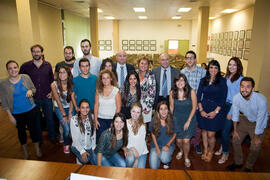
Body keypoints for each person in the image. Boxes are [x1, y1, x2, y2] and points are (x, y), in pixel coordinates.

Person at [0, 60, 41, 159]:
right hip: (16, 113)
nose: (13, 70)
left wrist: (31, 90)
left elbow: (34, 89)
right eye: (10, 68)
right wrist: (10, 116)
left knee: (33, 131)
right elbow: (4, 102)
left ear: (18, 68)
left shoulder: (25, 77)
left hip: (31, 109)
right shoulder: (3, 84)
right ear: (7, 70)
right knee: (21, 133)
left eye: (15, 67)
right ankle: (25, 152)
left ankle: (37, 149)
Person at [227, 77, 268, 172]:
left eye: (248, 87)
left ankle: (249, 166)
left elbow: (261, 119)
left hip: (258, 123)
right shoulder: (237, 98)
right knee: (235, 140)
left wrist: (256, 137)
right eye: (242, 86)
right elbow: (235, 114)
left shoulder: (261, 100)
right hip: (245, 119)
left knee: (255, 146)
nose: (244, 89)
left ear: (253, 89)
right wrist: (235, 130)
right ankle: (238, 162)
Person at [19, 44, 56, 143]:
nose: (36, 53)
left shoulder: (47, 65)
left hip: (46, 97)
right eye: (34, 51)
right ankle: (39, 139)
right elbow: (20, 80)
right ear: (31, 53)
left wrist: (52, 92)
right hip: (32, 98)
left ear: (42, 53)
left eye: (38, 51)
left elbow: (52, 81)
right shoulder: (25, 66)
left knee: (50, 118)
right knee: (36, 120)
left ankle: (52, 137)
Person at [196, 60, 227, 162]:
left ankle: (211, 150)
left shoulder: (222, 81)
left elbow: (223, 98)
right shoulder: (203, 80)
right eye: (211, 67)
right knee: (204, 131)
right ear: (208, 69)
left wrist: (216, 112)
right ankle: (205, 149)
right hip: (203, 108)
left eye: (215, 68)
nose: (213, 70)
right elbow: (198, 96)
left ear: (218, 70)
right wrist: (201, 110)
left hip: (216, 109)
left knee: (211, 134)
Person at [215, 57, 243, 164]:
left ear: (238, 66)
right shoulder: (226, 77)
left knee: (226, 131)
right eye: (230, 64)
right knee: (221, 129)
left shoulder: (241, 79)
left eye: (234, 65)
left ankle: (226, 153)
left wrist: (231, 112)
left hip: (232, 106)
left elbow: (239, 98)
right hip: (223, 105)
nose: (232, 67)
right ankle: (222, 147)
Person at [181, 50, 206, 154]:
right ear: (185, 60)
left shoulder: (203, 72)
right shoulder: (182, 72)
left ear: (195, 59)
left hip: (198, 104)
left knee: (197, 126)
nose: (189, 60)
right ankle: (187, 142)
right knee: (186, 124)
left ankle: (196, 144)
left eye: (191, 58)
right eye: (187, 58)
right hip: (186, 104)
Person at [169, 73, 197, 167]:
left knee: (186, 141)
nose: (180, 82)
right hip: (177, 119)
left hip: (189, 118)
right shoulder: (172, 93)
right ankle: (181, 150)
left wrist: (188, 121)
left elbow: (194, 107)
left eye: (182, 80)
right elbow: (171, 108)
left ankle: (186, 157)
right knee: (179, 141)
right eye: (178, 80)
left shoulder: (191, 92)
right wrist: (170, 121)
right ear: (175, 82)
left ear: (185, 82)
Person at [51, 65, 74, 154]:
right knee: (66, 128)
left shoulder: (72, 83)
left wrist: (70, 113)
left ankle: (75, 144)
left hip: (70, 107)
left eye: (64, 72)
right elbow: (57, 100)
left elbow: (72, 100)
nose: (61, 74)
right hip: (59, 108)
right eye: (60, 72)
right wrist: (64, 115)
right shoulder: (54, 84)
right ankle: (66, 144)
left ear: (68, 74)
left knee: (72, 127)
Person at [94, 69, 121, 141]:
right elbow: (96, 105)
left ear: (111, 79)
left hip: (112, 120)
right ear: (101, 80)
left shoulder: (116, 91)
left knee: (110, 141)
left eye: (107, 78)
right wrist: (95, 119)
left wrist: (115, 122)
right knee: (100, 141)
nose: (105, 80)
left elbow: (118, 108)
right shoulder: (98, 91)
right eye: (103, 78)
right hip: (100, 120)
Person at [149, 101, 176, 169]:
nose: (164, 111)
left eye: (165, 108)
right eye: (161, 109)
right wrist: (157, 148)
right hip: (156, 145)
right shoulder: (154, 119)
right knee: (153, 167)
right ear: (158, 111)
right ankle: (159, 157)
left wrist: (168, 145)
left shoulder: (173, 119)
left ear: (168, 110)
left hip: (168, 145)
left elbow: (175, 133)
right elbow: (153, 134)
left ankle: (167, 161)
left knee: (164, 158)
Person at [70, 99, 96, 164]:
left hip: (88, 145)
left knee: (95, 159)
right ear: (79, 109)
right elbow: (75, 139)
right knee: (85, 160)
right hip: (77, 145)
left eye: (87, 107)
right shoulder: (73, 120)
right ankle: (79, 157)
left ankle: (81, 157)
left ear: (89, 109)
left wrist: (93, 147)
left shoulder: (92, 117)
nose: (85, 110)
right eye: (83, 107)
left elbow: (93, 134)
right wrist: (82, 151)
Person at [123, 102, 148, 168]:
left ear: (140, 114)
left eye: (138, 112)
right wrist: (132, 148)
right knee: (130, 159)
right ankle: (128, 170)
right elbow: (122, 139)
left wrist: (137, 158)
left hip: (141, 151)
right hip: (130, 148)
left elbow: (141, 144)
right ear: (130, 111)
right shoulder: (124, 123)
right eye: (133, 111)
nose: (135, 114)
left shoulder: (142, 126)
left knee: (140, 174)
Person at [137, 57, 156, 123]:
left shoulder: (150, 75)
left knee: (144, 124)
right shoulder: (135, 74)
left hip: (146, 103)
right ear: (138, 64)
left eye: (146, 64)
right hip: (135, 103)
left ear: (148, 65)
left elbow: (152, 93)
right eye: (142, 63)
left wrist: (148, 107)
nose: (143, 65)